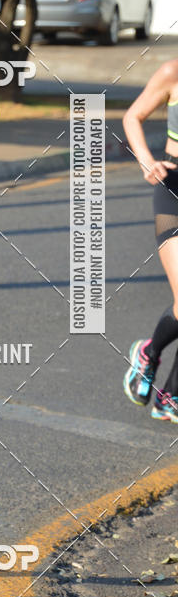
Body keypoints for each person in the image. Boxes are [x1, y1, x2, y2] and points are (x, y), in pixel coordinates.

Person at [122, 58, 178, 422]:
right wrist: (146, 161)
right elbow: (132, 117)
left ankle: (170, 396)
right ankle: (149, 351)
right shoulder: (174, 71)